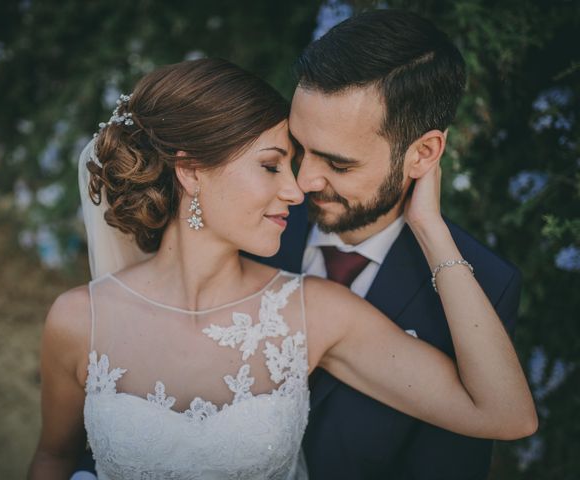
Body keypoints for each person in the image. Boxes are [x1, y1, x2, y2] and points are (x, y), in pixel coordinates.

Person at [28, 57, 536, 480]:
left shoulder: (314, 311)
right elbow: (55, 456)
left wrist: (427, 224)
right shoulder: (79, 321)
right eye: (273, 165)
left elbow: (505, 414)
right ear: (189, 171)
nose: (297, 190)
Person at [255, 9, 529, 480]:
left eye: (338, 165)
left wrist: (429, 227)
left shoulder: (482, 288)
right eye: (299, 147)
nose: (302, 181)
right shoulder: (249, 219)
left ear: (422, 154)